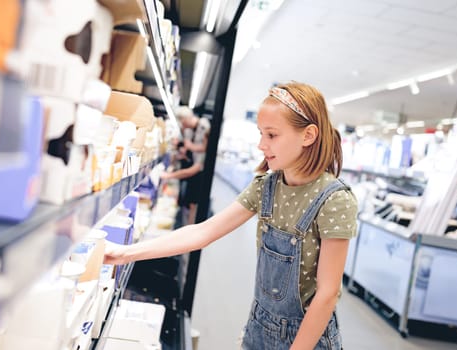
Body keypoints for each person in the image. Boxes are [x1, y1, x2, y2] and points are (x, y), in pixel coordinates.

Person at [104, 82, 358, 349]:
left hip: (309, 340)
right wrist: (125, 253)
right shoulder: (267, 186)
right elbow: (203, 232)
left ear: (308, 135)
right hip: (258, 328)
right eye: (261, 134)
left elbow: (327, 294)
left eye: (272, 135)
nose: (261, 145)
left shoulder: (334, 200)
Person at [161, 106, 211, 224]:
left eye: (183, 123)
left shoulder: (204, 126)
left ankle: (190, 228)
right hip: (193, 173)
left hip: (199, 177)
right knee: (188, 204)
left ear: (186, 119)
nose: (183, 126)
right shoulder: (191, 132)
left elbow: (194, 169)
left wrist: (168, 176)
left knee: (193, 205)